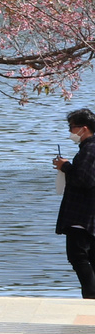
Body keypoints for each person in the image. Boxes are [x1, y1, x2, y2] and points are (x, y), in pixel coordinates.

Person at [55, 107, 95, 299]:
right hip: (88, 217)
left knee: (78, 257)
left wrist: (65, 166)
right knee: (90, 258)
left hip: (82, 216)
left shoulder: (89, 149)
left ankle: (91, 296)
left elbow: (84, 180)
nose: (70, 132)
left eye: (72, 127)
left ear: (83, 128)